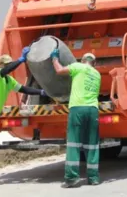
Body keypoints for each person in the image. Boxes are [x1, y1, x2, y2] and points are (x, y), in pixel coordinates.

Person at [0, 47, 48, 190]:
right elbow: (4, 71)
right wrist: (20, 60)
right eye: (7, 65)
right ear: (2, 65)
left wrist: (41, 91)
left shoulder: (8, 80)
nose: (9, 68)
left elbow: (24, 89)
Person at [51, 50, 102, 188]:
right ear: (94, 63)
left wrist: (55, 58)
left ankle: (72, 178)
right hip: (92, 110)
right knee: (92, 145)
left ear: (82, 60)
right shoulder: (97, 74)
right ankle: (93, 178)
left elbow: (59, 70)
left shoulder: (78, 67)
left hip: (78, 109)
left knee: (74, 143)